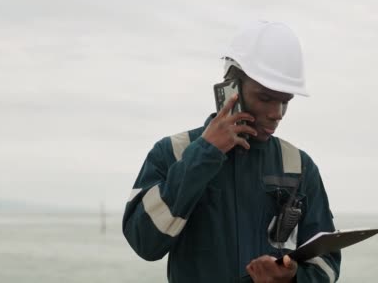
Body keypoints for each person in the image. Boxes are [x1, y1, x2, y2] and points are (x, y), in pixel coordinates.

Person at [122, 21, 341, 282]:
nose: (277, 114)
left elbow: (326, 265)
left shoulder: (299, 166)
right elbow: (145, 242)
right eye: (265, 98)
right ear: (230, 89)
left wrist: (293, 278)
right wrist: (206, 153)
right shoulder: (172, 153)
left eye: (285, 101)